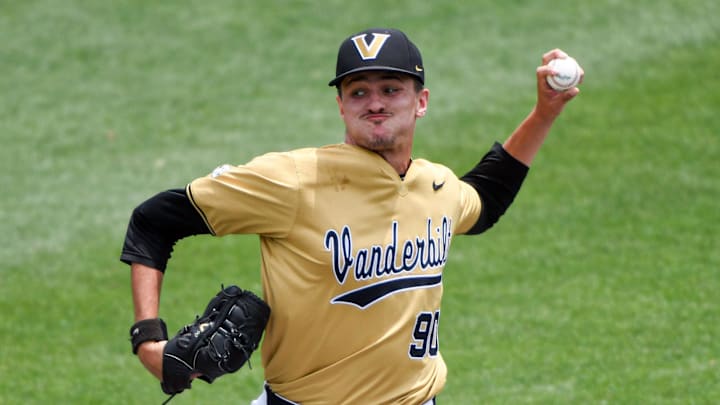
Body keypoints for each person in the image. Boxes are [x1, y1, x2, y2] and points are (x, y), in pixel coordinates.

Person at [120, 27, 583, 404]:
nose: (375, 102)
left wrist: (544, 113)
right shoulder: (292, 180)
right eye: (358, 91)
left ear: (421, 101)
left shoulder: (436, 186)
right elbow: (155, 221)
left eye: (391, 89)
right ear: (341, 105)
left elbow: (484, 202)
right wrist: (149, 341)